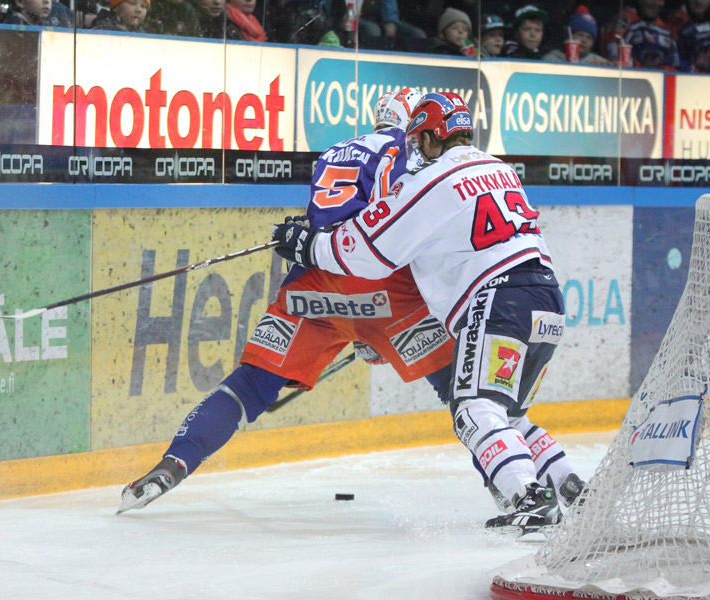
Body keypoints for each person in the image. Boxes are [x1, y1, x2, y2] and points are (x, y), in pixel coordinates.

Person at [117, 88, 457, 515]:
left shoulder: (334, 151)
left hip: (313, 284)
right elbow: (398, 226)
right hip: (384, 286)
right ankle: (520, 480)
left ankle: (172, 464)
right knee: (460, 384)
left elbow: (325, 219)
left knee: (252, 384)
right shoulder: (405, 152)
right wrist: (378, 327)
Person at [271, 92, 584, 534]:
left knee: (473, 408)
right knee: (507, 413)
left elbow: (367, 249)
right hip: (546, 301)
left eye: (420, 141)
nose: (416, 151)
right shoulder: (500, 170)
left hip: (499, 302)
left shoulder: (434, 179)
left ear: (436, 135)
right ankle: (572, 486)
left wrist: (307, 245)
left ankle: (530, 499)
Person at [602, 0, 679, 70]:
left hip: (659, 81)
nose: (655, 3)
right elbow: (612, 55)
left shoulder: (664, 29)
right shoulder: (625, 19)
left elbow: (674, 66)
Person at [665, 0, 710, 74]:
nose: (699, 2)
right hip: (683, 79)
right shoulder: (673, 23)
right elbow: (669, 60)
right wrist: (689, 69)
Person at [544, 5, 611, 65]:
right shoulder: (551, 59)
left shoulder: (600, 63)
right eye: (580, 35)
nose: (584, 40)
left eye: (589, 37)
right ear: (569, 36)